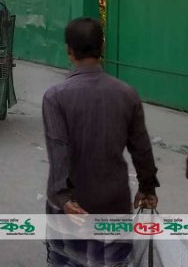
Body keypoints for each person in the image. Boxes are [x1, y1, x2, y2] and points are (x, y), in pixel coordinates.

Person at [43, 18, 159, 267]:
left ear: (69, 51)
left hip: (68, 210)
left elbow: (58, 149)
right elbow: (141, 146)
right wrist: (147, 186)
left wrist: (65, 198)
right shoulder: (127, 93)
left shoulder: (55, 97)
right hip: (112, 203)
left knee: (64, 262)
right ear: (102, 47)